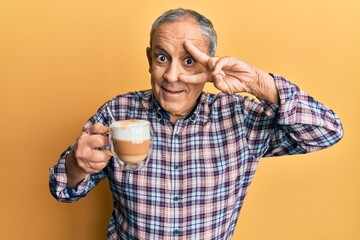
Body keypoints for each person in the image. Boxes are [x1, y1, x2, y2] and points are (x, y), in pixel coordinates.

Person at [49, 8, 343, 239]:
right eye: (162, 58)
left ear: (209, 64)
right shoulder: (118, 111)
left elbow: (327, 131)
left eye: (189, 61)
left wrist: (257, 82)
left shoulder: (242, 118)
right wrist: (78, 163)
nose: (172, 76)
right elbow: (61, 188)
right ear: (150, 59)